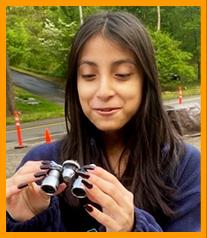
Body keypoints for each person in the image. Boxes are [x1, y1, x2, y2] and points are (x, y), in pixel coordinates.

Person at [6, 11, 200, 232]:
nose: (103, 91)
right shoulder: (42, 163)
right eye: (88, 75)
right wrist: (19, 221)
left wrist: (135, 228)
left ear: (146, 82)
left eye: (122, 74)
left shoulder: (186, 166)